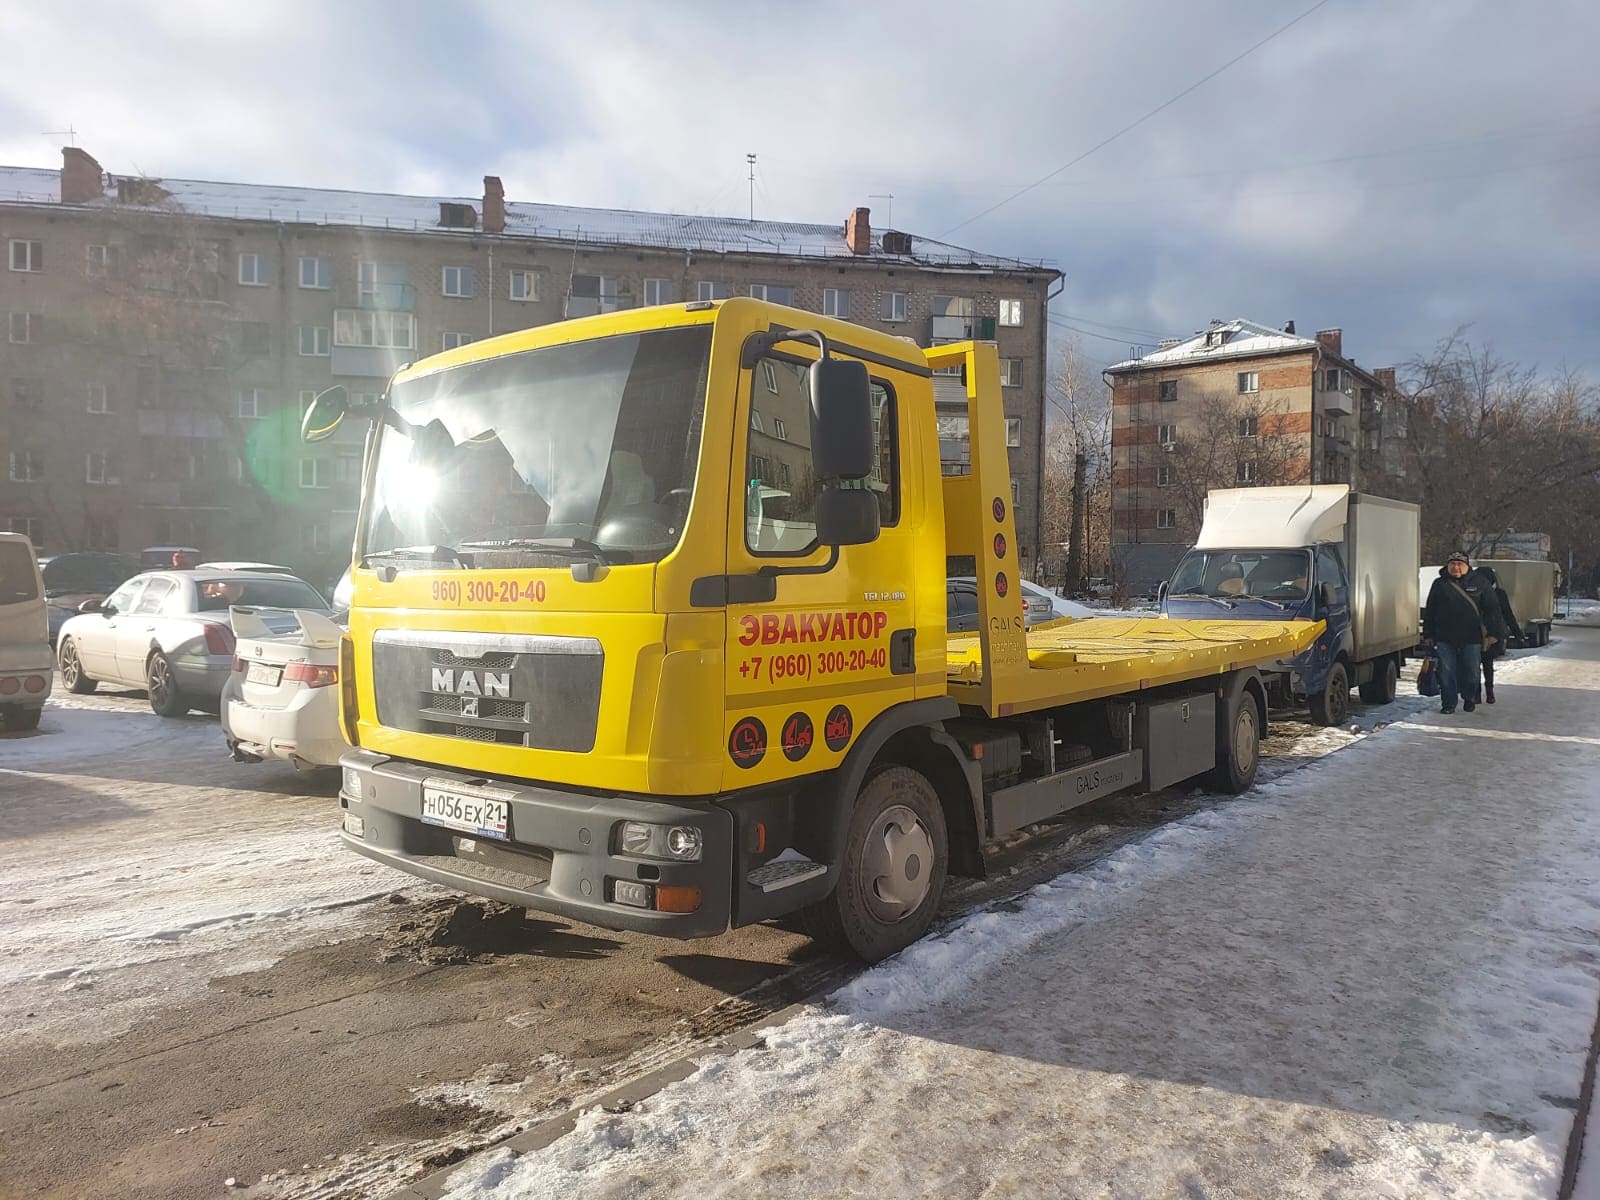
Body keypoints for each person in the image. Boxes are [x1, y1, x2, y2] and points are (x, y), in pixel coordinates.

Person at [1422, 552, 1490, 714]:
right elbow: (1430, 610)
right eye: (1452, 564)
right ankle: (1449, 703)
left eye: (1460, 564)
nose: (1456, 567)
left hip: (1472, 637)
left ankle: (1469, 697)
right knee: (1446, 671)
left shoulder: (1480, 583)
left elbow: (1492, 609)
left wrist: (1493, 633)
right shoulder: (1439, 584)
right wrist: (1428, 634)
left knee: (1472, 671)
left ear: (1467, 566)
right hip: (1445, 636)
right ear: (1447, 566)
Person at [1474, 566, 1521, 704]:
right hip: (1490, 634)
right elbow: (1507, 614)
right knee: (1486, 664)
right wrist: (1517, 633)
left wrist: (1517, 633)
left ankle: (1479, 694)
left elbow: (1507, 614)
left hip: (1484, 634)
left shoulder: (1475, 592)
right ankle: (1488, 692)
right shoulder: (1499, 593)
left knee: (1475, 665)